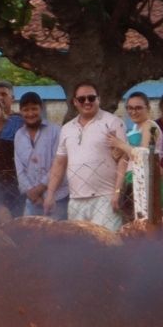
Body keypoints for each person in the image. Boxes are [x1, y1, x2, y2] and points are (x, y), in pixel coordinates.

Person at [43, 82, 131, 231]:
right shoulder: (66, 128)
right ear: (75, 102)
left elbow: (124, 159)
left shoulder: (113, 123)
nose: (87, 102)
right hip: (76, 200)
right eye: (82, 99)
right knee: (80, 248)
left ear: (99, 99)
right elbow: (59, 163)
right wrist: (50, 194)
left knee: (107, 245)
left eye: (91, 98)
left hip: (105, 198)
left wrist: (117, 192)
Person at [11, 91, 61, 218]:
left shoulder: (55, 131)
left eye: (34, 109)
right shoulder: (19, 135)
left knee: (58, 236)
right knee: (29, 236)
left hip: (55, 198)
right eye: (26, 110)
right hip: (31, 200)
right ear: (20, 111)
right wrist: (31, 193)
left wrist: (40, 189)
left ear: (41, 108)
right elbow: (19, 169)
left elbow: (59, 163)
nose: (30, 114)